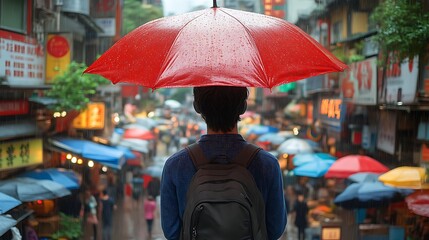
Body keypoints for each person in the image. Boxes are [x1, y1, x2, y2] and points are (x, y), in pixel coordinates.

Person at [160, 86, 287, 240]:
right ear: (243, 106)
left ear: (197, 107)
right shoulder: (267, 164)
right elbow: (275, 229)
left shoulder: (175, 165)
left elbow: (171, 232)